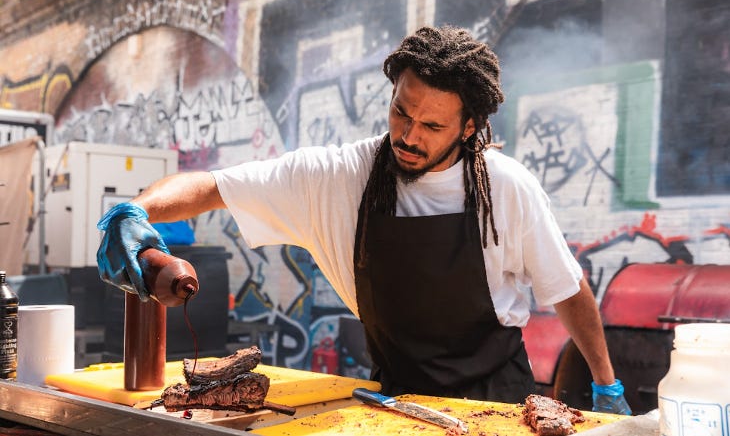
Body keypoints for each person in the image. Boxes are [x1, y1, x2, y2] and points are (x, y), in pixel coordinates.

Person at [96, 25, 631, 414]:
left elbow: (568, 289)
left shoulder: (506, 188)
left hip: (496, 407)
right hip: (396, 406)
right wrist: (135, 211)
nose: (409, 135)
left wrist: (606, 385)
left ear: (469, 127)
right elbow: (212, 185)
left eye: (431, 125)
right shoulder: (339, 176)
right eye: (402, 111)